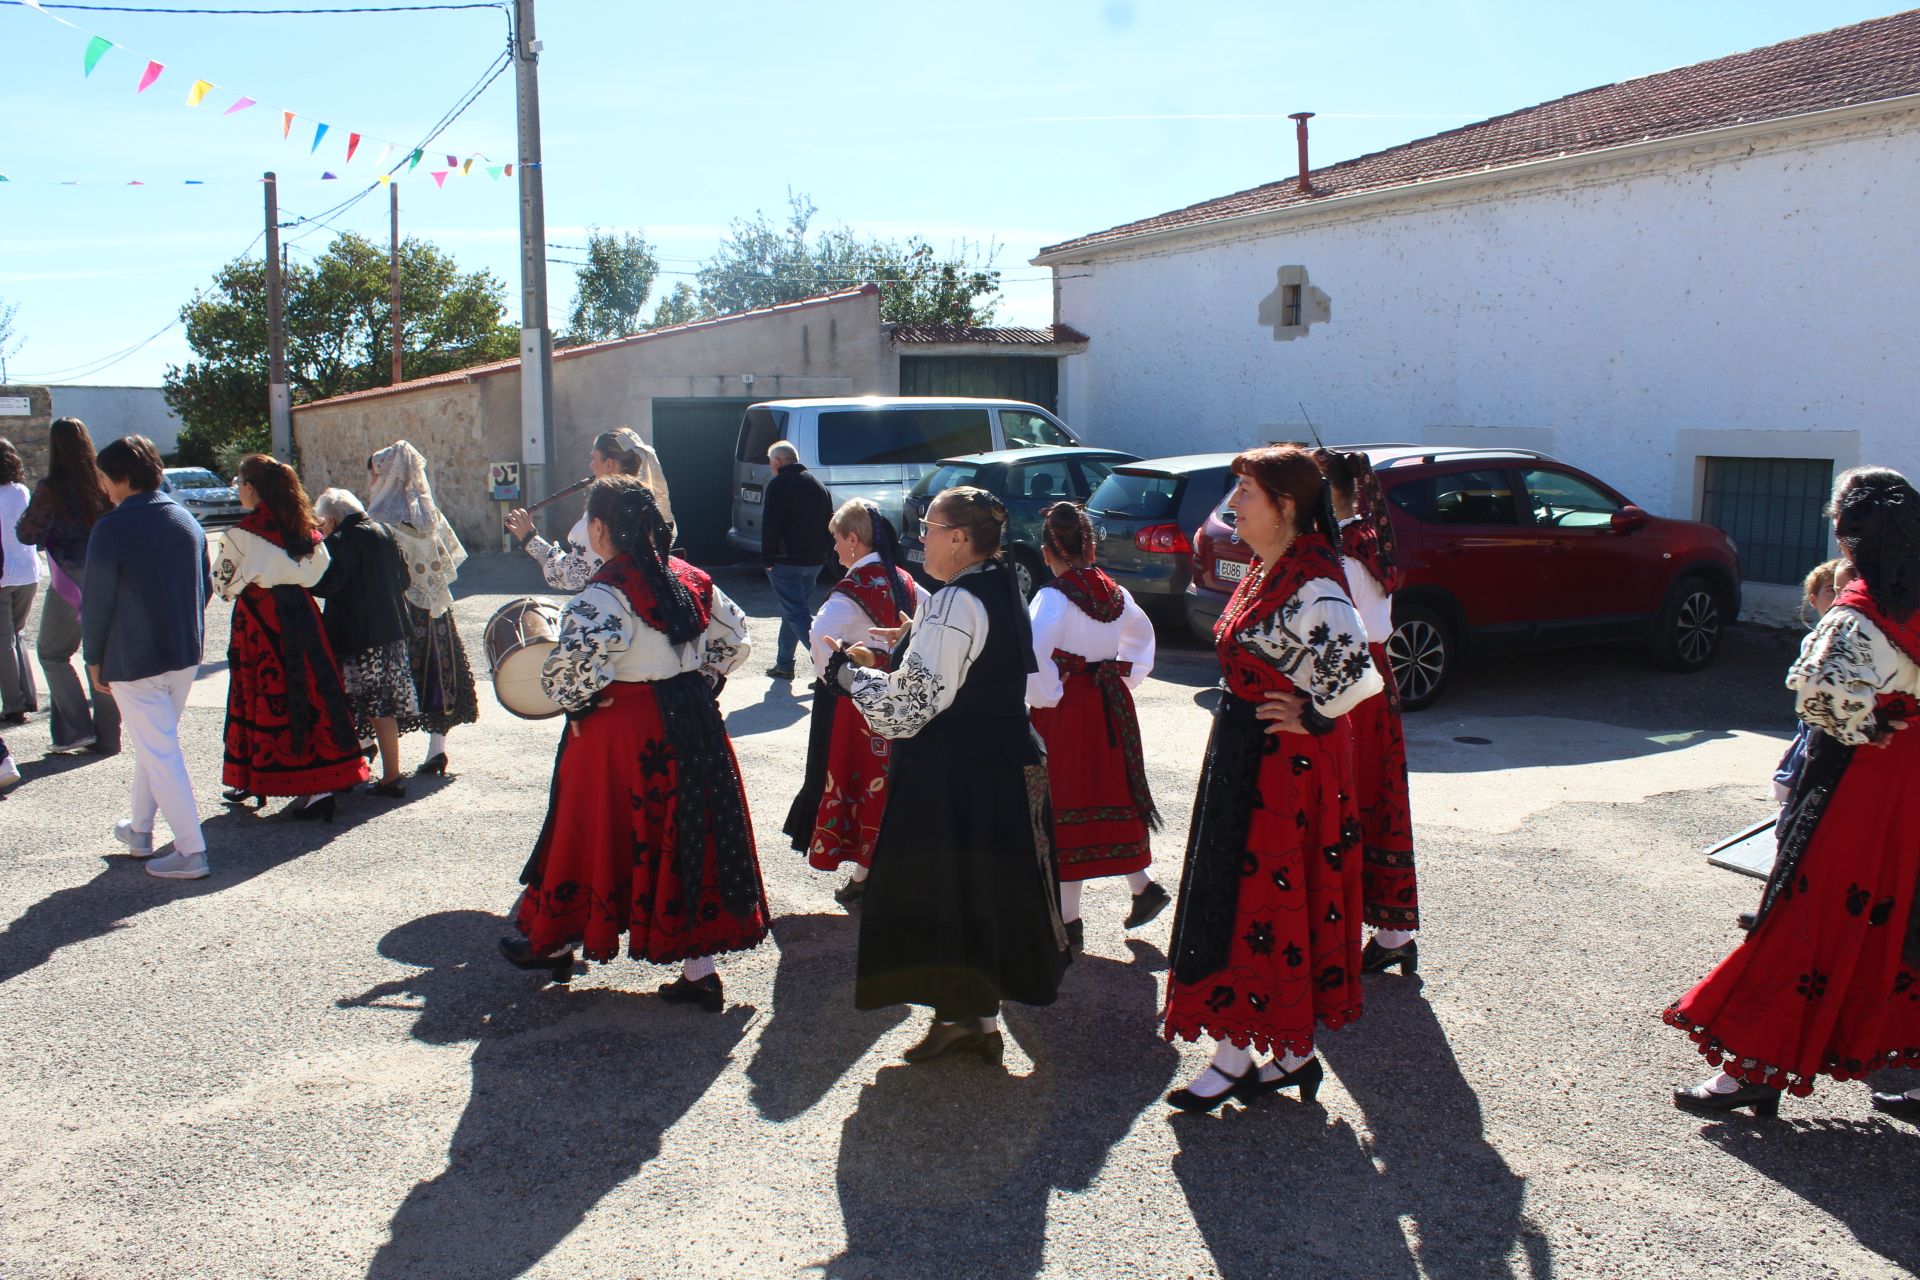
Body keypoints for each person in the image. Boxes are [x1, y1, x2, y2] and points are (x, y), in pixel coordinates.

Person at [1666, 466, 1920, 1120]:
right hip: (1911, 793)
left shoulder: (1859, 615)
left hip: (1857, 789)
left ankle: (1752, 1071)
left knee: (1806, 919)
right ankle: (1898, 1069)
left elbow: (1819, 699)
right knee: (1897, 919)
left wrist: (1869, 722)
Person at [1162, 444, 1383, 1112]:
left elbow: (1358, 674)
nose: (1233, 506)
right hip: (1243, 754)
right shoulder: (1271, 567)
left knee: (1255, 908)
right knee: (1236, 900)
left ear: (1286, 505)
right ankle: (1289, 1056)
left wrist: (1312, 714)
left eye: (1247, 494)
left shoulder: (1315, 578)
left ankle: (1237, 1057)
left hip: (1279, 773)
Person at [826, 486, 1071, 1065]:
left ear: (960, 538)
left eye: (929, 528)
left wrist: (845, 674)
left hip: (959, 775)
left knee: (949, 895)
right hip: (999, 766)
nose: (920, 538)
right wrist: (912, 642)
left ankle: (967, 1020)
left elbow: (907, 710)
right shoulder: (1000, 583)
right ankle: (974, 1021)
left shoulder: (956, 601)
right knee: (978, 897)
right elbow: (965, 666)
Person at [502, 476, 766, 1010]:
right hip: (692, 722)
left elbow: (568, 680)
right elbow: (736, 637)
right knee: (688, 835)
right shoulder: (690, 577)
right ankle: (700, 971)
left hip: (622, 733)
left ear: (600, 528)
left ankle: (553, 942)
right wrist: (704, 680)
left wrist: (579, 698)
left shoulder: (600, 595)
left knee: (590, 829)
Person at [1025, 500, 1168, 948]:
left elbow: (1031, 654)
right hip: (1108, 705)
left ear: (1049, 550)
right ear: (1088, 547)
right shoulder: (1116, 592)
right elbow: (1142, 644)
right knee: (1107, 791)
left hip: (1067, 709)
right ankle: (1143, 888)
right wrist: (1120, 674)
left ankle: (1067, 922)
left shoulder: (1052, 597)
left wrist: (1047, 692)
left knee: (1066, 802)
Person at [82, 435, 213, 878]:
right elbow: (205, 589)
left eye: (104, 476)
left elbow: (96, 601)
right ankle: (139, 831)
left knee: (160, 751)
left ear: (121, 477)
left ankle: (192, 851)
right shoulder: (187, 521)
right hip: (183, 653)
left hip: (133, 660)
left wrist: (93, 656)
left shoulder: (112, 527)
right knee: (154, 745)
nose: (102, 485)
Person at [214, 454, 369, 819]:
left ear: (251, 488)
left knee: (261, 692)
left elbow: (222, 586)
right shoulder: (304, 528)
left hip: (260, 619)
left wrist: (252, 578)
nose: (238, 490)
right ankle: (321, 785)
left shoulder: (241, 535)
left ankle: (255, 775)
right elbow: (319, 571)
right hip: (301, 614)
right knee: (312, 691)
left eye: (239, 483)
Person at [783, 499, 919, 907]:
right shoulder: (904, 580)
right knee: (888, 782)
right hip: (897, 697)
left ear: (855, 541)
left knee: (860, 781)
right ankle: (877, 872)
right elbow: (925, 627)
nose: (835, 550)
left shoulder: (851, 590)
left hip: (859, 702)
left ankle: (865, 876)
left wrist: (836, 678)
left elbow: (819, 635)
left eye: (838, 541)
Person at [1318, 448, 1420, 973]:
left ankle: (1364, 928)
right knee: (1378, 795)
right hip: (1376, 677)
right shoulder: (1369, 539)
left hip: (1352, 678)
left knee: (1349, 797)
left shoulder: (1342, 554)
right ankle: (1394, 930)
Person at [367, 441, 480, 776]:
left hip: (397, 610)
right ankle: (437, 749)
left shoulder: (380, 519)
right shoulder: (429, 514)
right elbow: (450, 556)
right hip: (435, 608)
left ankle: (374, 753)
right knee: (438, 675)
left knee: (388, 681)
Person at [15, 418, 119, 753]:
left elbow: (25, 532)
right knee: (101, 655)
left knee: (53, 653)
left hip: (68, 578)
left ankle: (76, 729)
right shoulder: (103, 482)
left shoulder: (52, 487)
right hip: (107, 575)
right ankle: (108, 737)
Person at [312, 488, 419, 797]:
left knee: (359, 705)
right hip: (391, 631)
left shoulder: (341, 541)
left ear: (331, 519)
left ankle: (357, 770)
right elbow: (405, 579)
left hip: (358, 636)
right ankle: (391, 774)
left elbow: (328, 584)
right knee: (383, 707)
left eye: (322, 523)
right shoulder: (384, 532)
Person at [503, 427, 675, 590]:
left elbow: (569, 575)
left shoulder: (606, 511)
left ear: (608, 464)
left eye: (593, 458)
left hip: (612, 605)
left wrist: (529, 539)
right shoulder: (648, 504)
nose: (590, 466)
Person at [760, 439, 834, 681]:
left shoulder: (779, 484)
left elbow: (771, 524)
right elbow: (829, 523)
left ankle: (829, 668)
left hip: (786, 561)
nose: (771, 467)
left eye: (771, 463)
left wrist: (768, 558)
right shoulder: (817, 484)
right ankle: (784, 664)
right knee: (792, 610)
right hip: (814, 561)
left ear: (779, 462)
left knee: (796, 613)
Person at [0, 438, 44, 724]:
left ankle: (13, 704)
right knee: (18, 634)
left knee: (3, 641)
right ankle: (29, 697)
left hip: (3, 573)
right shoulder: (22, 491)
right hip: (28, 571)